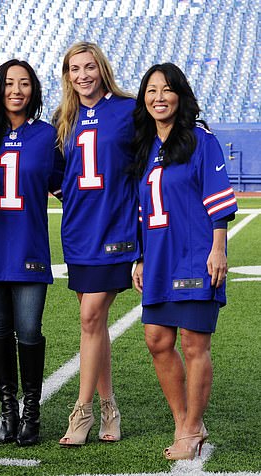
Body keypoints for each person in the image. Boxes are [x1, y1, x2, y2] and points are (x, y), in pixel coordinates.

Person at [131, 63, 237, 460]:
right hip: (157, 257)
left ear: (180, 95)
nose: (159, 97)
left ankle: (192, 429)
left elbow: (218, 200)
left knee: (194, 344)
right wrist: (140, 257)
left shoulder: (200, 140)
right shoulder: (145, 148)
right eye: (152, 90)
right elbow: (143, 209)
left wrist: (218, 248)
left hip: (194, 255)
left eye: (167, 90)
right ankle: (184, 420)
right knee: (157, 340)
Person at [0, 59, 62, 446]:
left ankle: (32, 413)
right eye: (9, 83)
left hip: (29, 245)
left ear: (34, 90)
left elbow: (68, 185)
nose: (16, 90)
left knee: (30, 330)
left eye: (24, 83)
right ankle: (9, 411)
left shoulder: (48, 136)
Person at [51, 42, 139, 446]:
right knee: (95, 324)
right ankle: (110, 409)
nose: (83, 75)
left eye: (89, 67)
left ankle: (81, 412)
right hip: (78, 232)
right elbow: (55, 177)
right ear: (67, 75)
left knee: (89, 318)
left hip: (116, 230)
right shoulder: (63, 118)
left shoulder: (127, 109)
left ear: (102, 70)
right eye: (75, 68)